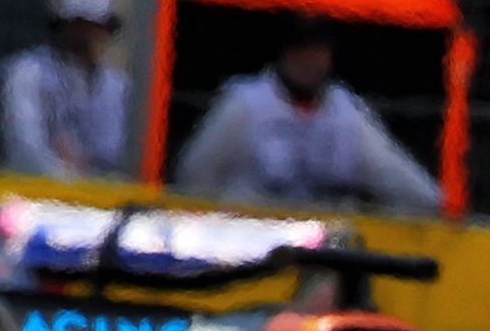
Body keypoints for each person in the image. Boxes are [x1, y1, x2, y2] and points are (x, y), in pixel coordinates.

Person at [177, 22, 447, 214]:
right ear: (283, 54)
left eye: (318, 51)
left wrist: (442, 205)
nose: (309, 60)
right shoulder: (245, 102)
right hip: (248, 243)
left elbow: (392, 172)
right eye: (300, 51)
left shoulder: (345, 110)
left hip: (321, 250)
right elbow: (195, 173)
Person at [0, 0, 136, 179]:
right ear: (61, 25)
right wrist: (69, 176)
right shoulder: (26, 71)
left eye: (97, 25)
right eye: (79, 25)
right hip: (38, 190)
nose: (88, 35)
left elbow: (115, 151)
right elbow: (26, 147)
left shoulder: (119, 86)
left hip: (101, 196)